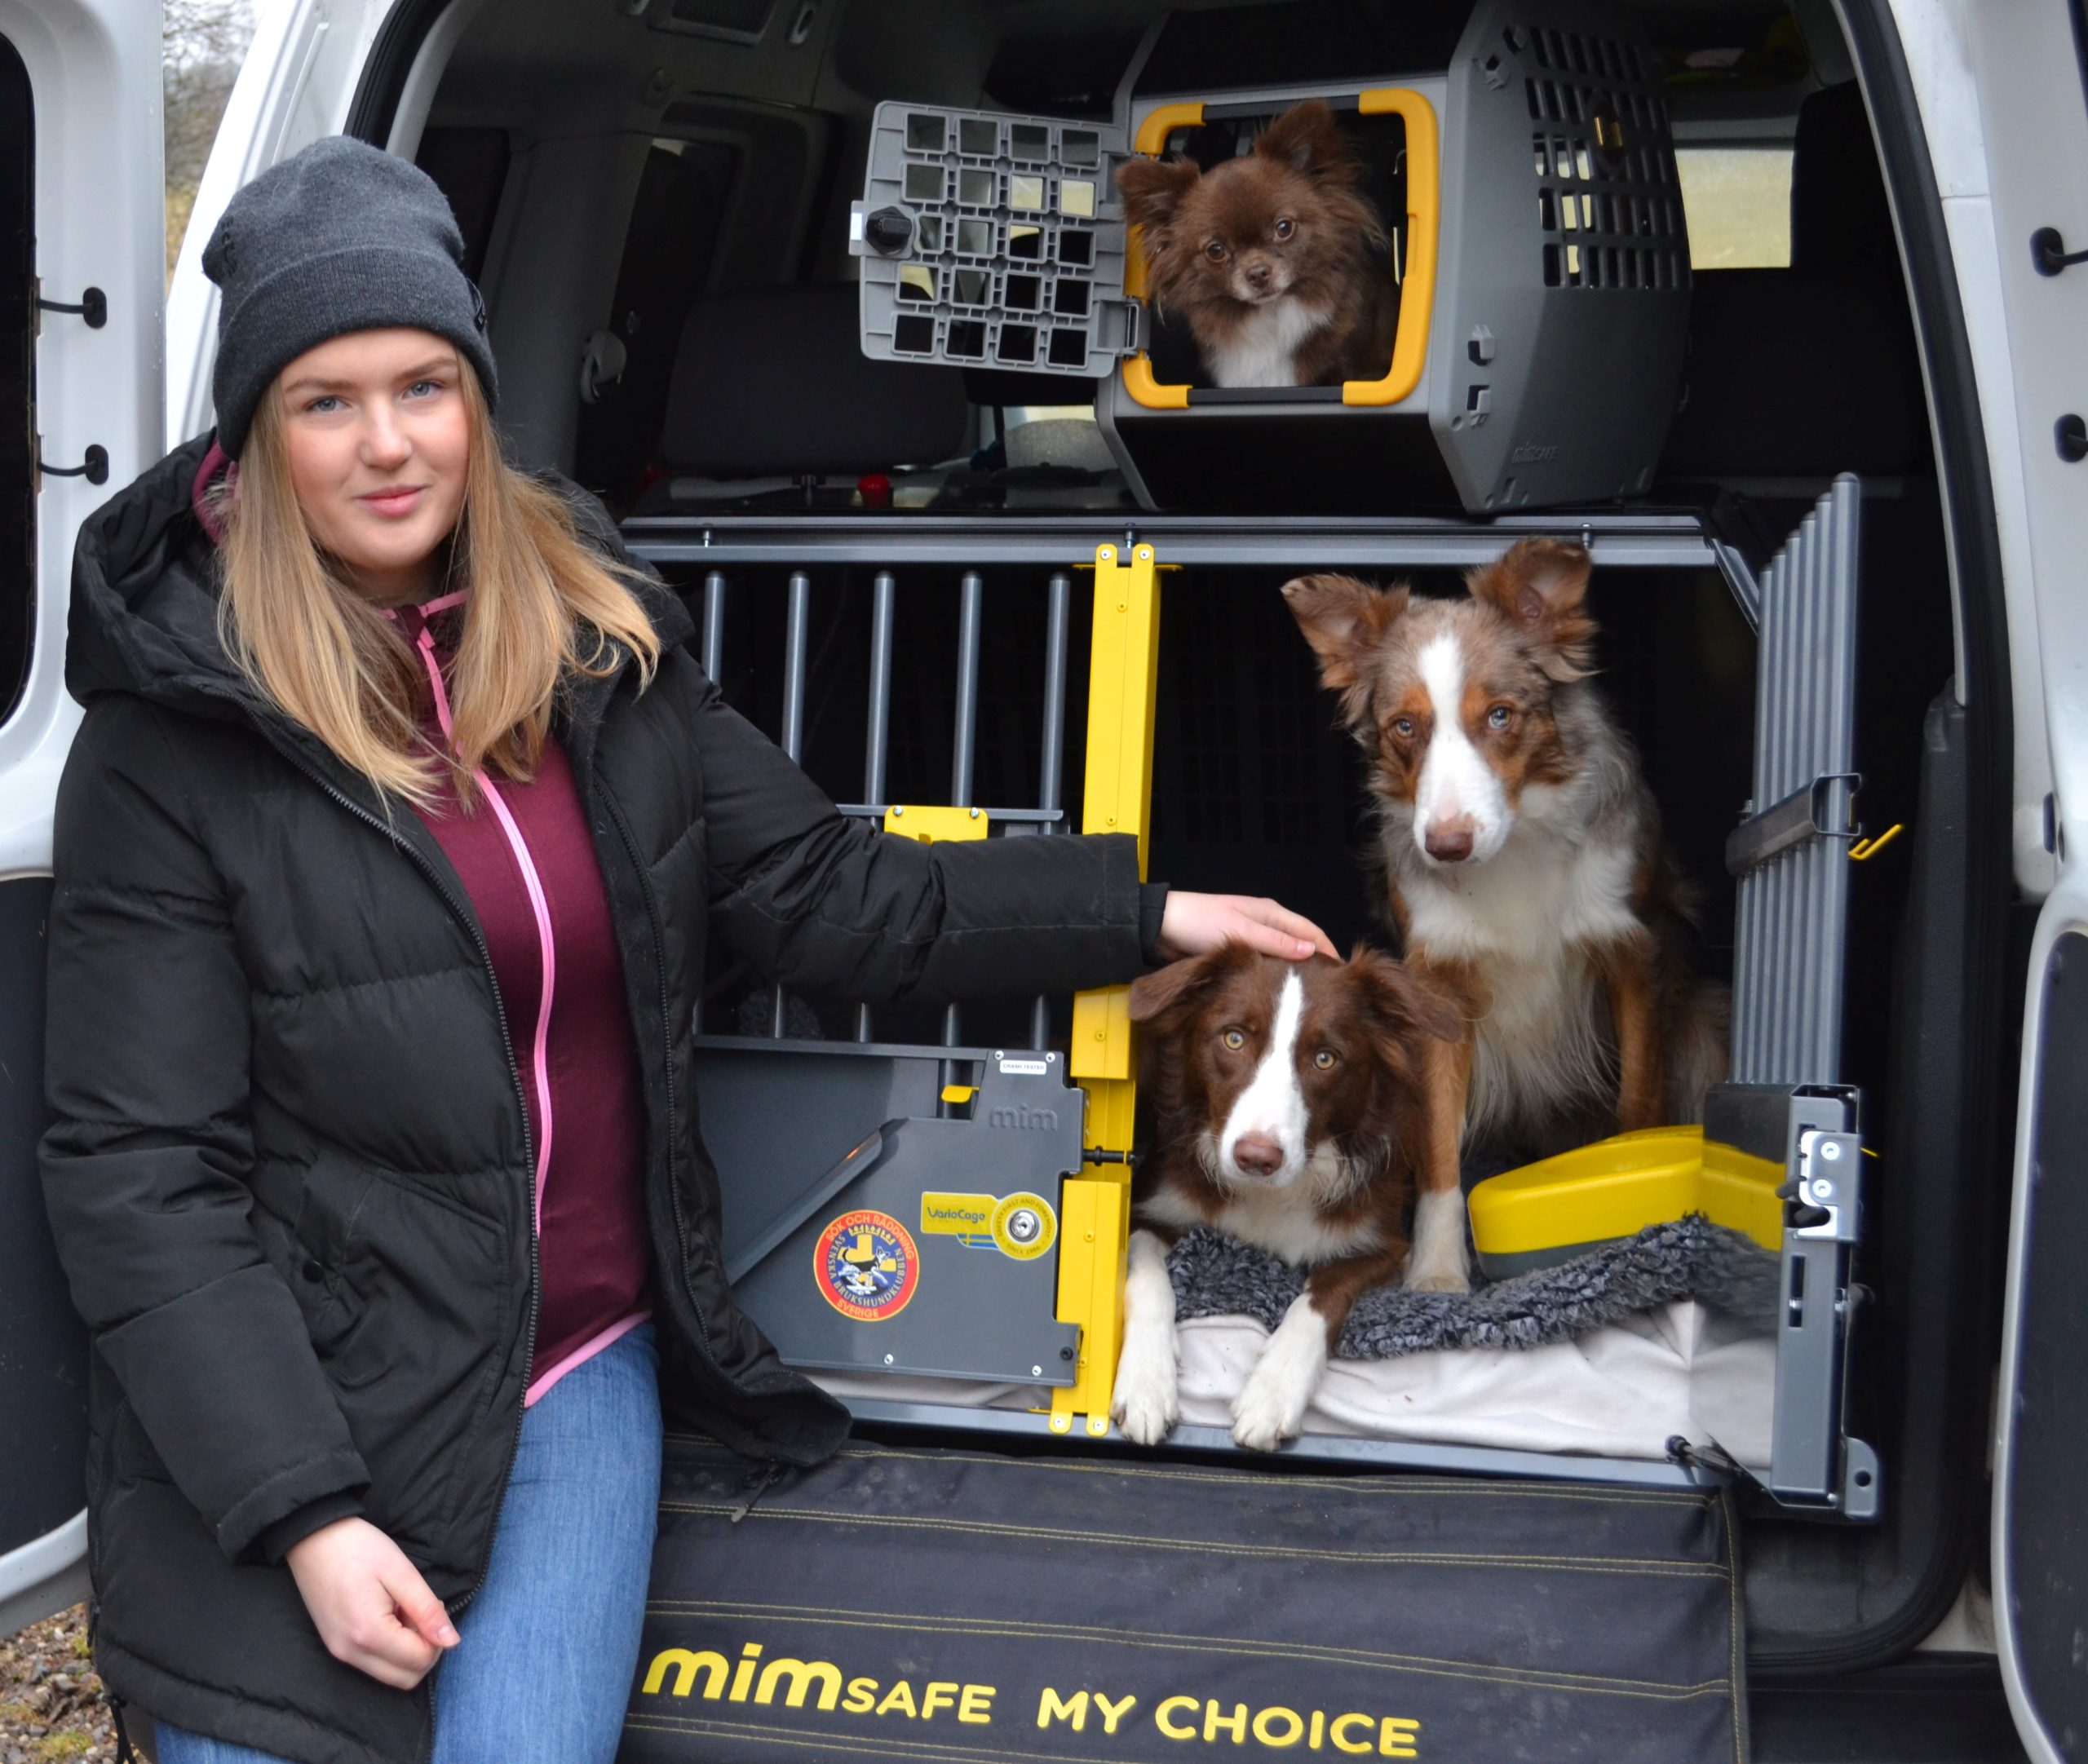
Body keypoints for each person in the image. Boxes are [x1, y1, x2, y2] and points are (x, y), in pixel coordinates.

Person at [38, 137, 1334, 1764]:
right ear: (255, 429)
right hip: (306, 1408)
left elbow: (829, 889)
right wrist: (299, 1508)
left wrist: (1144, 909)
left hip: (572, 1367)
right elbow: (138, 1173)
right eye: (327, 400)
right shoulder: (175, 736)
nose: (388, 445)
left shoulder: (599, 646)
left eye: (425, 387)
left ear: (479, 397)